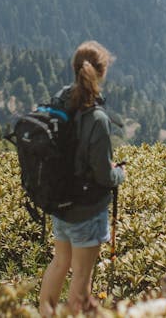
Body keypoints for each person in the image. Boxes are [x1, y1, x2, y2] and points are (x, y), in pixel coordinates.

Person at [38, 40, 126, 316]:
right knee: (81, 276)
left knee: (59, 262)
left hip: (60, 202)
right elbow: (103, 173)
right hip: (87, 209)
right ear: (103, 71)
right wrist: (120, 173)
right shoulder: (97, 117)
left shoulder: (61, 100)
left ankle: (46, 314)